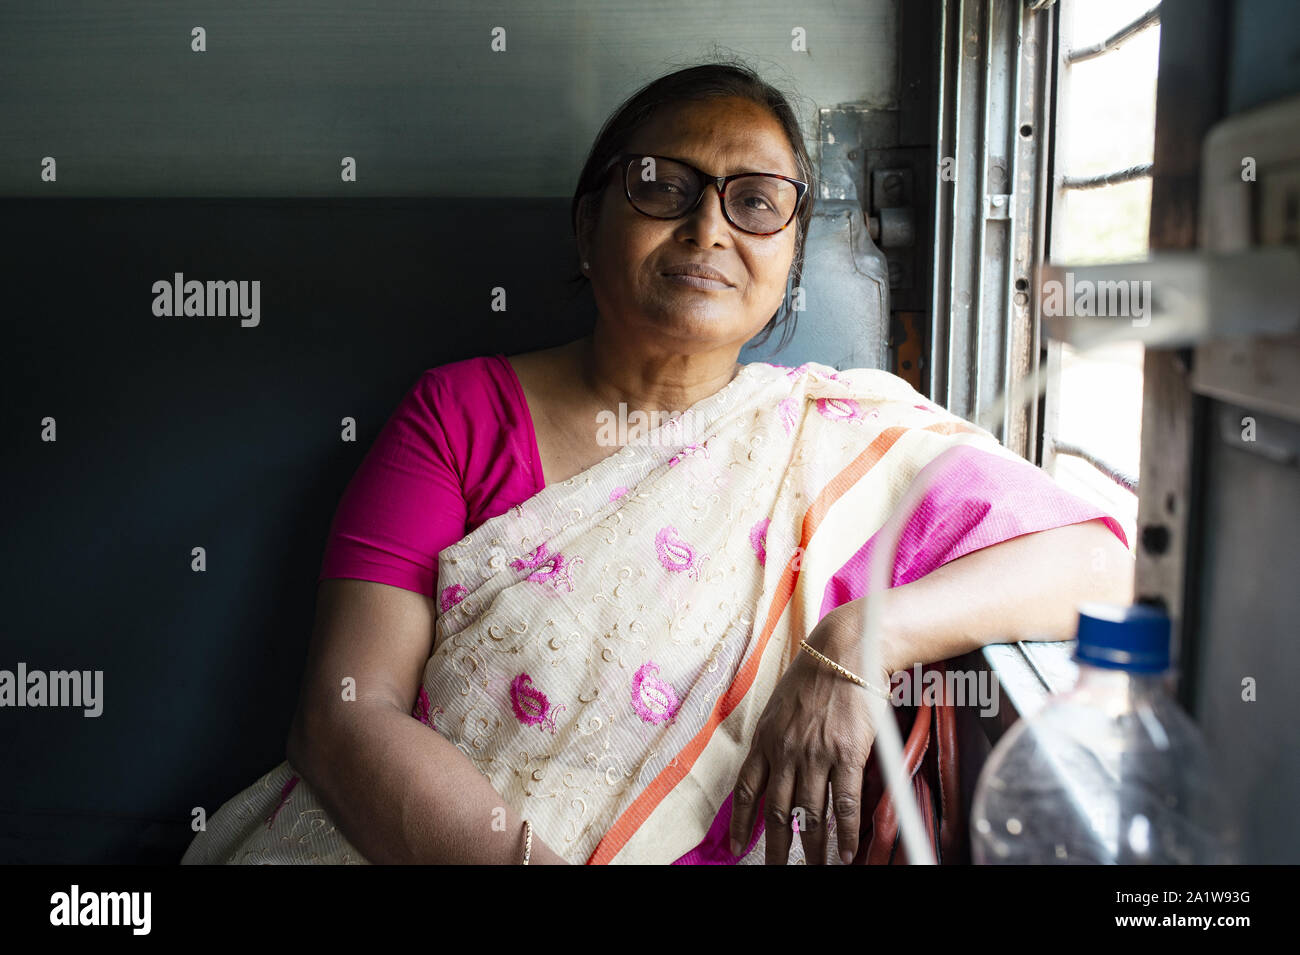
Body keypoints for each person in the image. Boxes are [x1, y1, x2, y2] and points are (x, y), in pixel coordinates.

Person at [181, 61, 1132, 866]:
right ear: (588, 227)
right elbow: (346, 715)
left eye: (754, 201)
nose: (708, 229)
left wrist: (856, 641)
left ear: (790, 257)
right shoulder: (459, 411)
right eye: (661, 186)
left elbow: (1101, 569)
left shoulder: (837, 432)